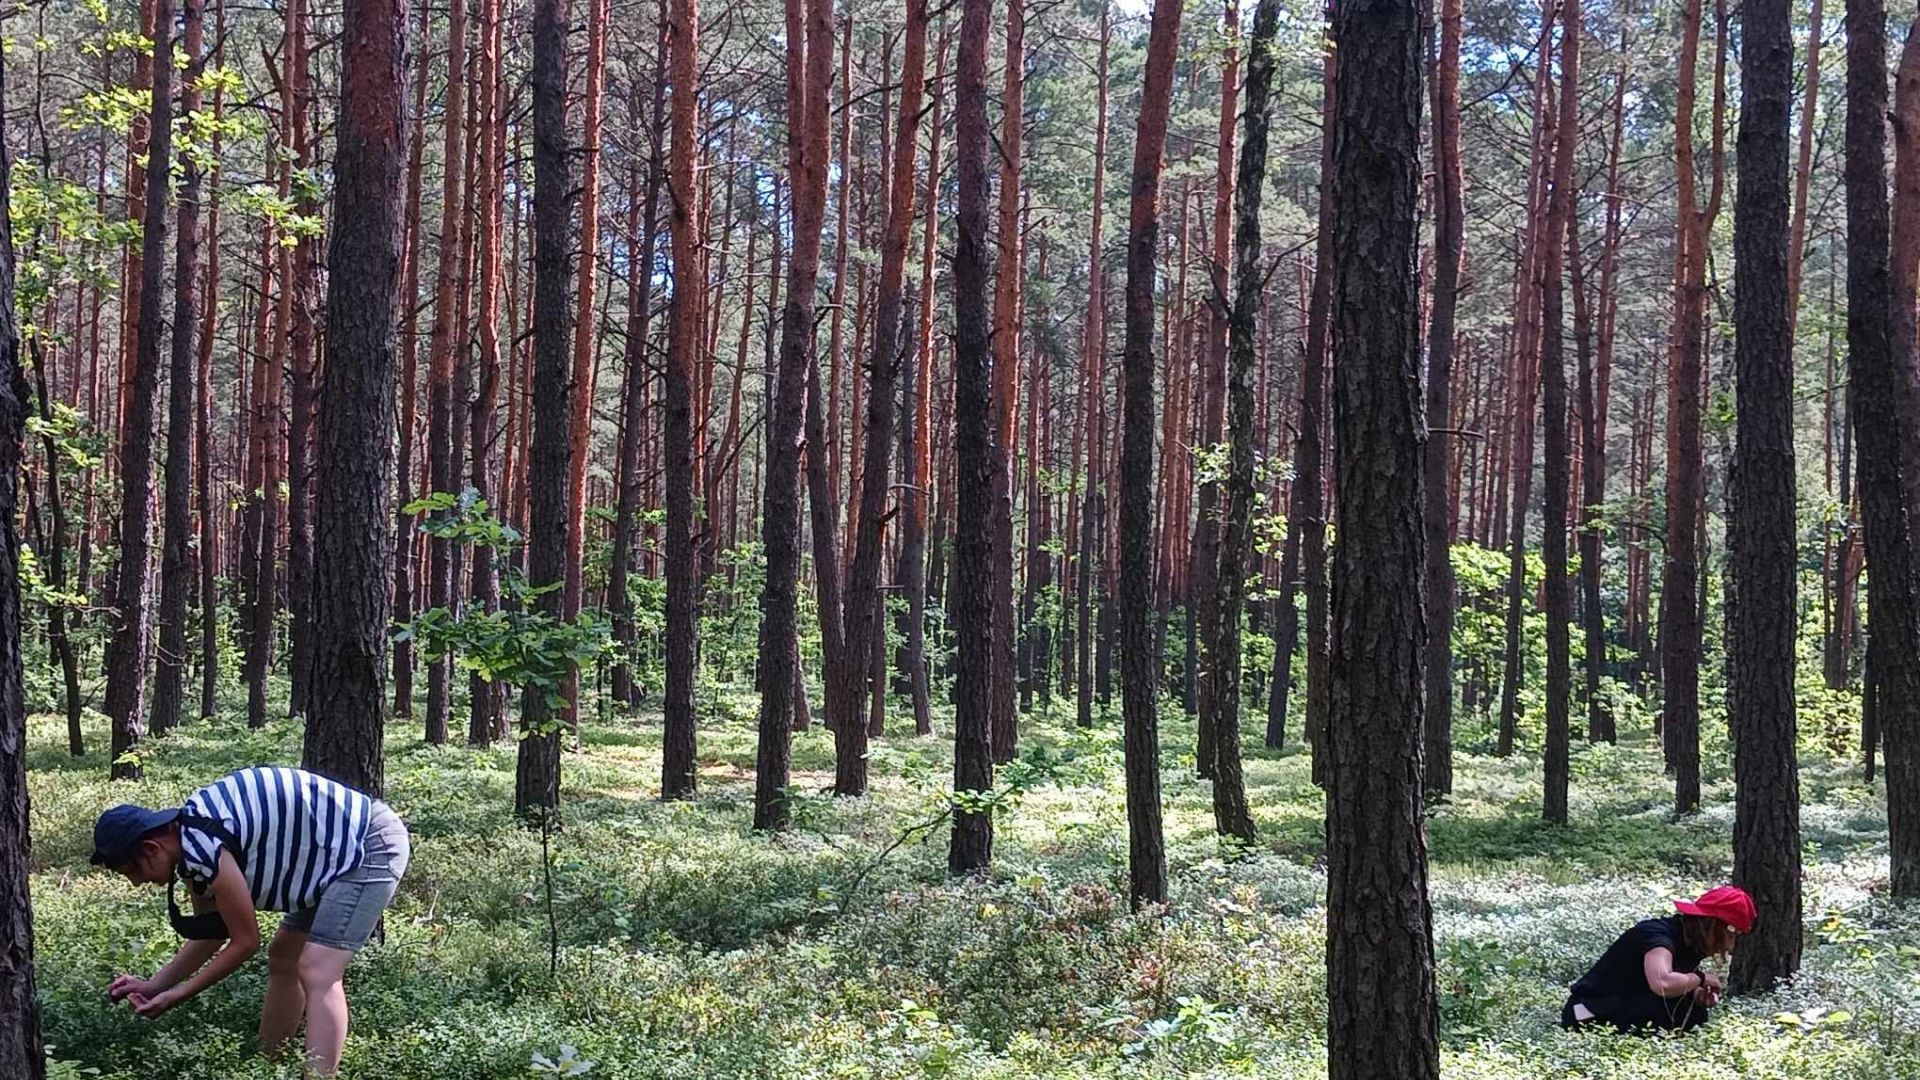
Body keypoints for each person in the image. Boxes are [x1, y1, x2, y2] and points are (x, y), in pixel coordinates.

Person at [91, 765, 411, 1077]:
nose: (135, 882)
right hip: (328, 859)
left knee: (319, 968)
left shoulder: (202, 846)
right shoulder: (190, 849)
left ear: (151, 848)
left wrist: (178, 995)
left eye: (131, 871)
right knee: (284, 957)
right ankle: (269, 1066)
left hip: (368, 845)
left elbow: (245, 943)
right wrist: (155, 985)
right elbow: (214, 934)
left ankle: (319, 1075)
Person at [1561, 885, 1755, 1033]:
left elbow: (1646, 985)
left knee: (1693, 1014)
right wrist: (1701, 978)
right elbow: (1662, 984)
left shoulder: (1689, 942)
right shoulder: (1658, 937)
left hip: (1617, 1005)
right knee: (1663, 1011)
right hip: (1583, 1012)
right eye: (1731, 936)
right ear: (1712, 926)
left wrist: (1695, 993)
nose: (1729, 946)